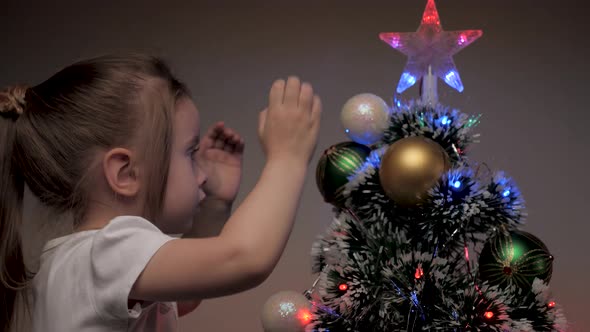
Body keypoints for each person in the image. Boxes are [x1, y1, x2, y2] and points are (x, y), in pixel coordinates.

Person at [0, 53, 321, 331]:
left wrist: (215, 203)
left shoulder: (80, 259)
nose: (201, 173)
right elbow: (243, 258)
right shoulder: (108, 252)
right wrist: (287, 158)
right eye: (188, 152)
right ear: (125, 173)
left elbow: (185, 295)